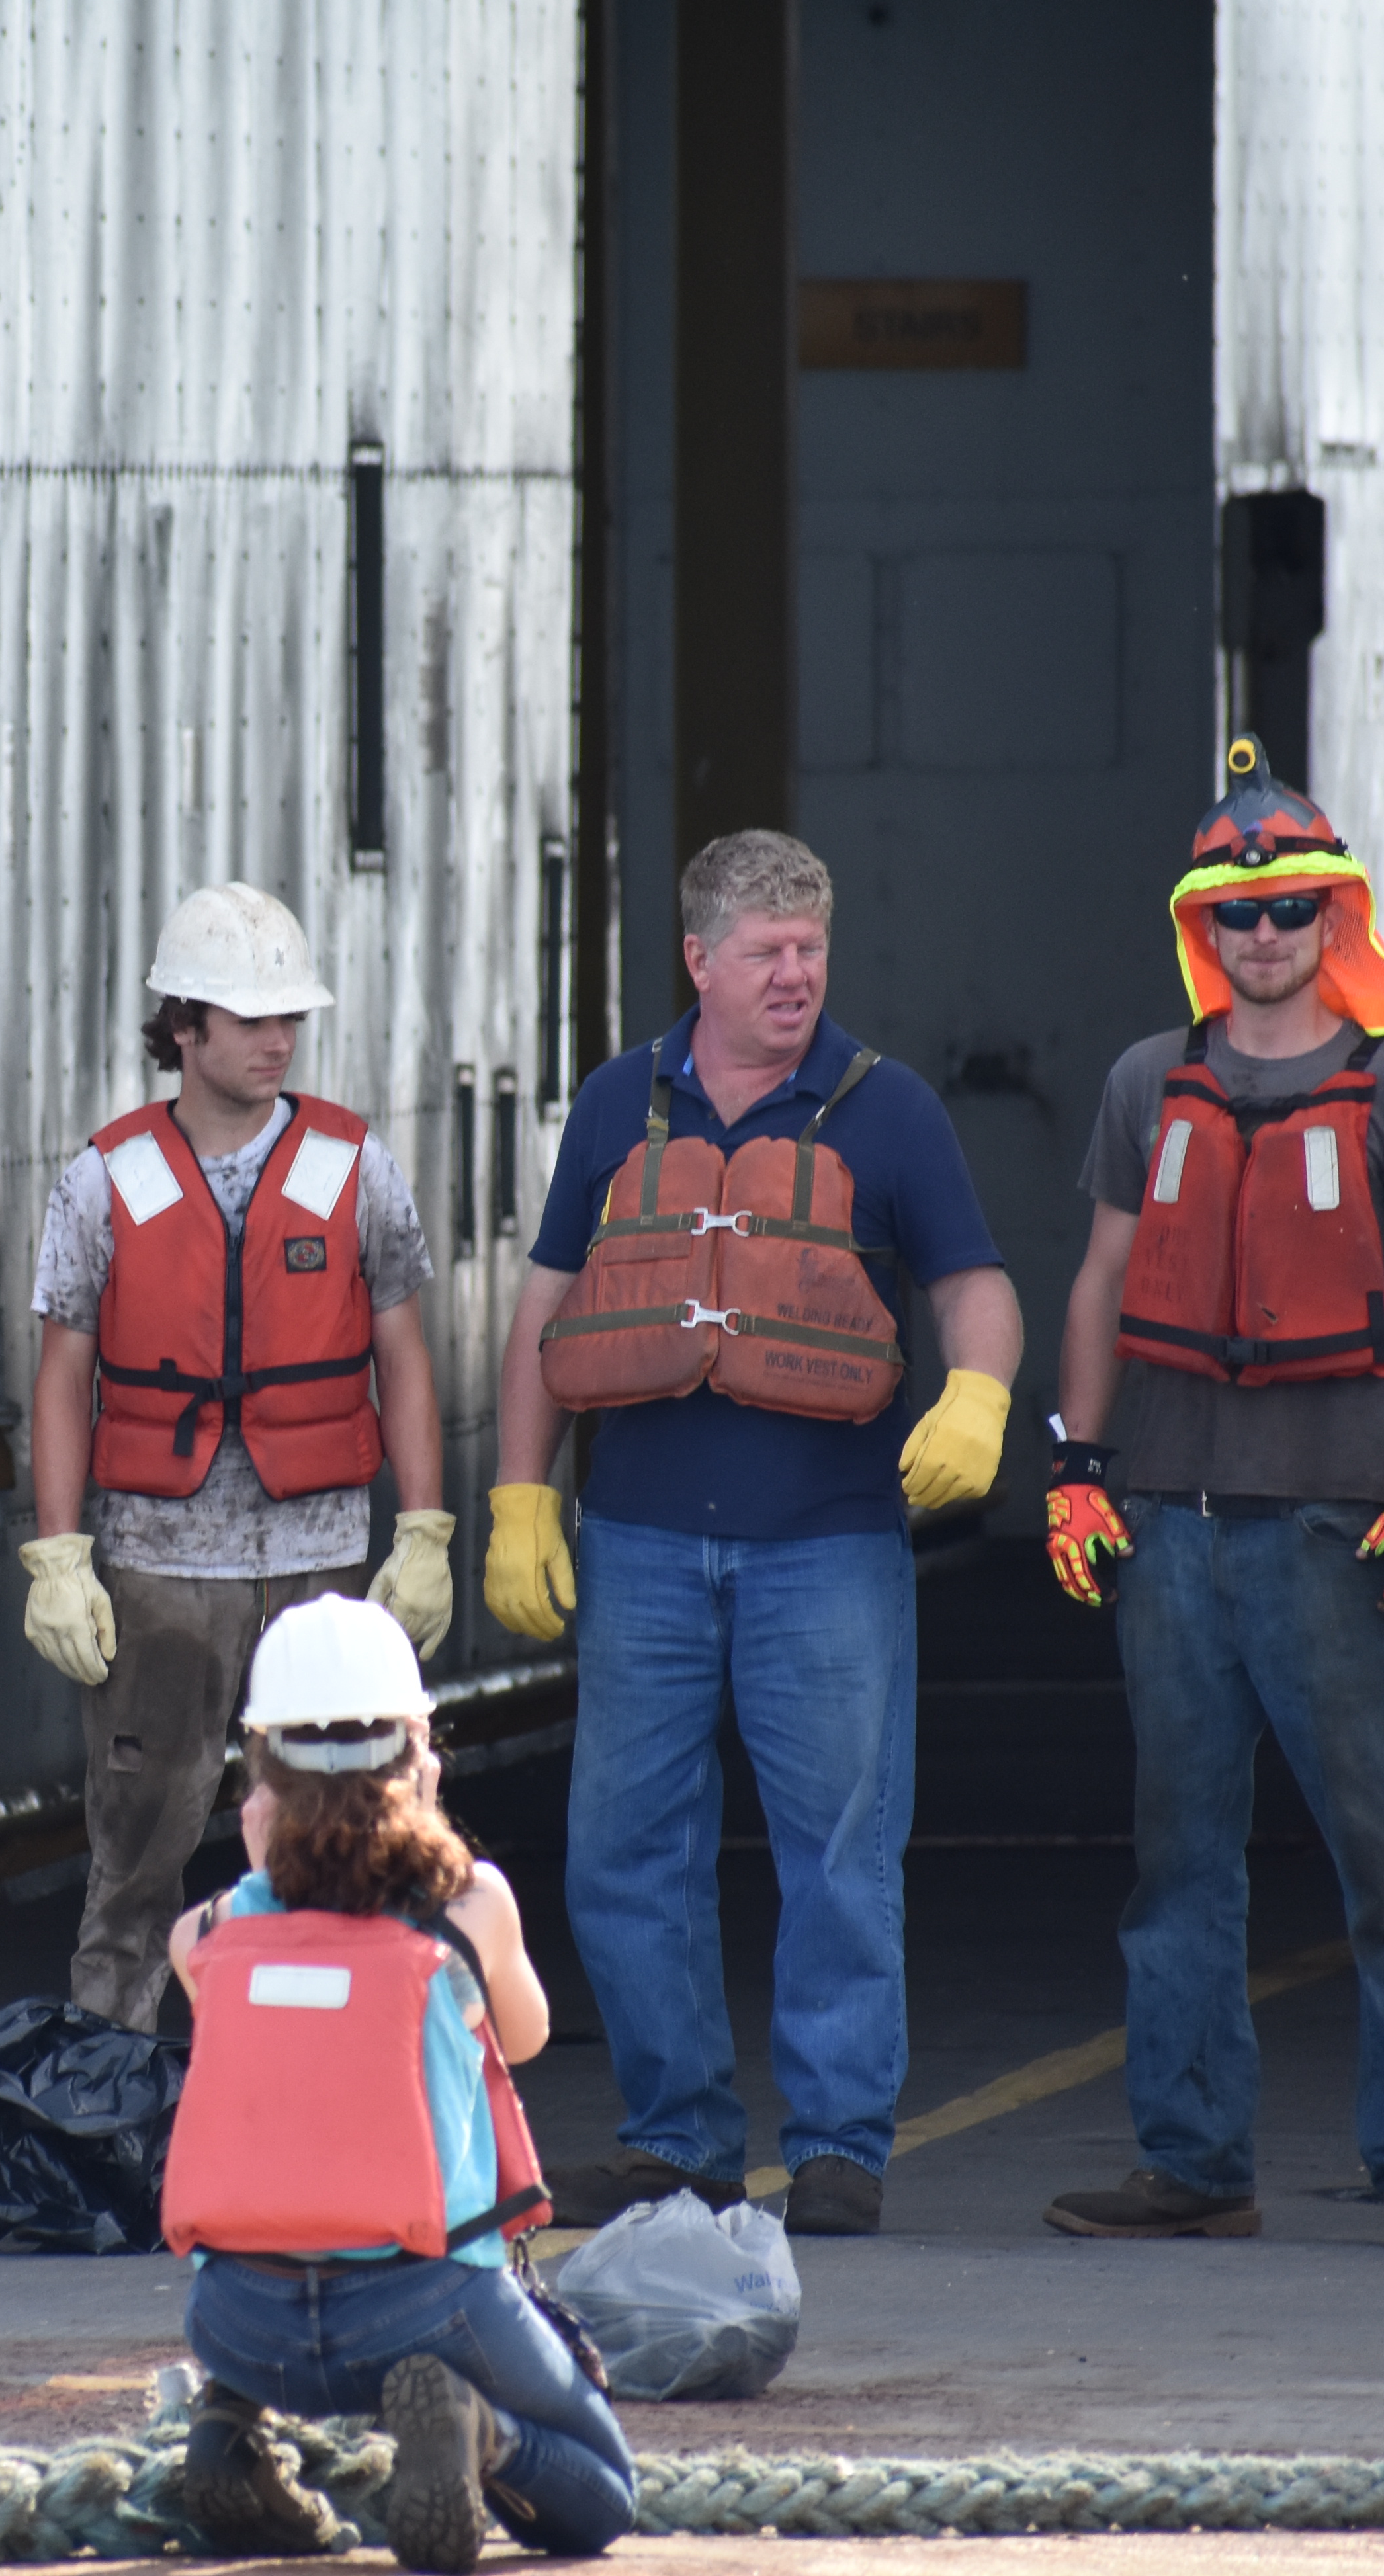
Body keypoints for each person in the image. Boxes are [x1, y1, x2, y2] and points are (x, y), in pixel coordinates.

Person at [484, 829, 1021, 2241]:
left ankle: (840, 2142)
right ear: (698, 960)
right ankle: (677, 2138)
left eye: (813, 950)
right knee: (622, 1848)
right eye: (767, 952)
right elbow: (544, 1309)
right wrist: (521, 1496)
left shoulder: (887, 1110)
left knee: (841, 1851)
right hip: (643, 1545)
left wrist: (980, 1391)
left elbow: (976, 1285)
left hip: (827, 1547)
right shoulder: (617, 1104)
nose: (795, 976)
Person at [1038, 738, 1384, 2251]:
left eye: (1292, 908)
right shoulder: (1142, 1084)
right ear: (1202, 929)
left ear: (1334, 919)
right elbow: (1103, 1279)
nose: (1265, 935)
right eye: (1237, 915)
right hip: (1166, 1529)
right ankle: (1194, 2160)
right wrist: (1074, 1469)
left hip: (1333, 1532)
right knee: (1178, 1864)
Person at [18, 884, 451, 2030]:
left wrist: (424, 1531)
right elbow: (61, 1373)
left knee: (349, 1852)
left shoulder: (355, 1168)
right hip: (158, 1572)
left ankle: (345, 2092)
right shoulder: (103, 1179)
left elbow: (403, 1355)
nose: (278, 1040)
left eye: (289, 1019)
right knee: (135, 1868)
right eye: (251, 1019)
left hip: (318, 1570)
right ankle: (108, 2102)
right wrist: (58, 1556)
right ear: (183, 1027)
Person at [159, 1595, 634, 2576]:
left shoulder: (204, 1939)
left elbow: (262, 2041)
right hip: (424, 2307)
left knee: (268, 2293)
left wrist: (263, 1880)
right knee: (600, 2486)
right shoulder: (470, 1913)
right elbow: (527, 2038)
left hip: (239, 2318)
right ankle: (472, 2429)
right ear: (419, 1758)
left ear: (260, 1775)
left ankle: (229, 2425)